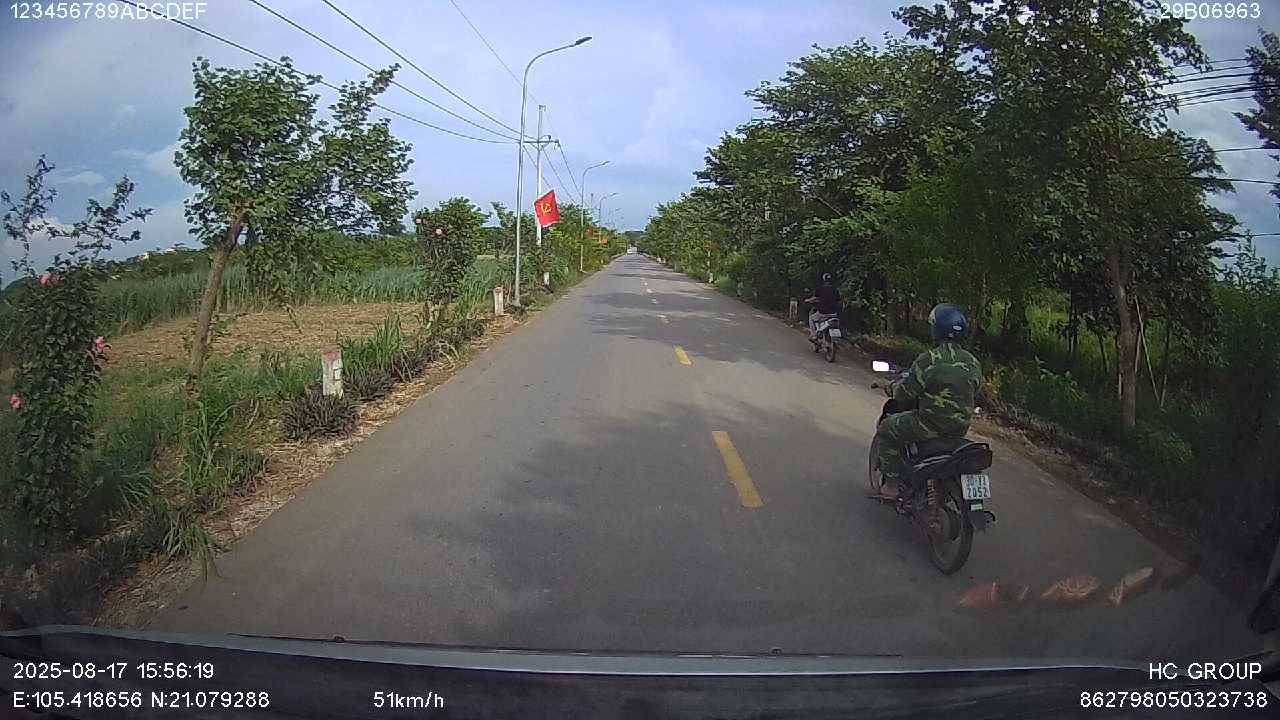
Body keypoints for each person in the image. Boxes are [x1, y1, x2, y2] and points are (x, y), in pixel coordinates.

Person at [874, 303, 982, 500]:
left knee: (886, 429)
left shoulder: (929, 359)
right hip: (959, 429)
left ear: (936, 328)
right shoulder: (973, 362)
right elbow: (976, 389)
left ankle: (891, 486)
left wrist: (891, 388)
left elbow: (905, 393)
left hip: (928, 426)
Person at [806, 273, 841, 343]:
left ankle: (814, 336)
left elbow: (815, 298)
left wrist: (808, 300)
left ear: (823, 280)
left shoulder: (820, 289)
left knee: (811, 318)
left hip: (823, 313)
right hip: (834, 314)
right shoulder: (835, 290)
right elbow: (838, 300)